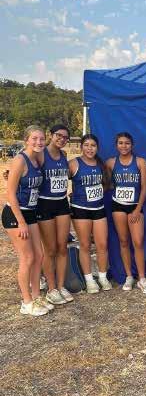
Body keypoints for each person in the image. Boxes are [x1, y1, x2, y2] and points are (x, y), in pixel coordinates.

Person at [1, 125, 50, 315]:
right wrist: (21, 222)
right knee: (27, 257)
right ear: (26, 140)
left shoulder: (38, 158)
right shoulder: (20, 160)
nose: (39, 142)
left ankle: (36, 297)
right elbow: (10, 194)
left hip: (30, 212)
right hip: (15, 214)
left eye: (42, 139)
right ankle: (26, 302)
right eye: (34, 138)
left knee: (39, 255)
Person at [106, 132, 146, 293]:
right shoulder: (111, 163)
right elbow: (105, 183)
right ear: (116, 145)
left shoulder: (140, 162)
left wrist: (138, 209)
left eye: (127, 143)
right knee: (124, 241)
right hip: (118, 206)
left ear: (132, 145)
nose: (124, 146)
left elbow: (144, 188)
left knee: (138, 242)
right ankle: (129, 276)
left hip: (135, 207)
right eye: (120, 143)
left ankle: (142, 279)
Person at [69, 134, 112, 293]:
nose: (89, 148)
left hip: (98, 208)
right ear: (81, 147)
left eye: (93, 145)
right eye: (86, 145)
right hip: (80, 209)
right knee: (85, 245)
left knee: (102, 244)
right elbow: (57, 178)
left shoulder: (101, 165)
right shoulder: (74, 164)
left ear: (97, 148)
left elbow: (107, 184)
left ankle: (102, 277)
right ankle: (89, 280)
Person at [36, 124, 74, 305]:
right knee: (50, 249)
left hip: (62, 203)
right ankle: (51, 288)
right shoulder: (40, 154)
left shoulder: (64, 155)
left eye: (65, 137)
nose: (62, 139)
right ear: (51, 135)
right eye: (59, 135)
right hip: (44, 204)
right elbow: (25, 168)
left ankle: (60, 286)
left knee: (62, 247)